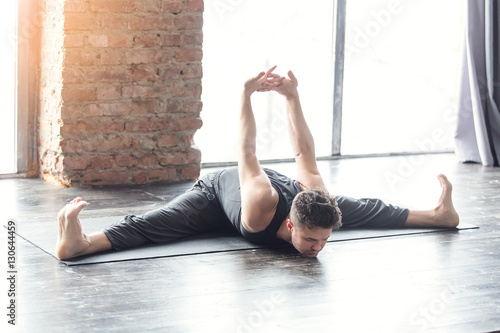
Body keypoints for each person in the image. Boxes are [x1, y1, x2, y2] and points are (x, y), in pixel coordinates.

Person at [55, 67, 460, 260]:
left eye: (322, 241)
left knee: (359, 209)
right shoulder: (261, 203)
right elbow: (247, 153)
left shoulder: (313, 201)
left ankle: (438, 214)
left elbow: (303, 153)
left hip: (288, 193)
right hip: (222, 195)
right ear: (289, 226)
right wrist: (244, 95)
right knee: (156, 225)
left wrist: (292, 97)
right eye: (310, 241)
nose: (316, 249)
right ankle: (81, 241)